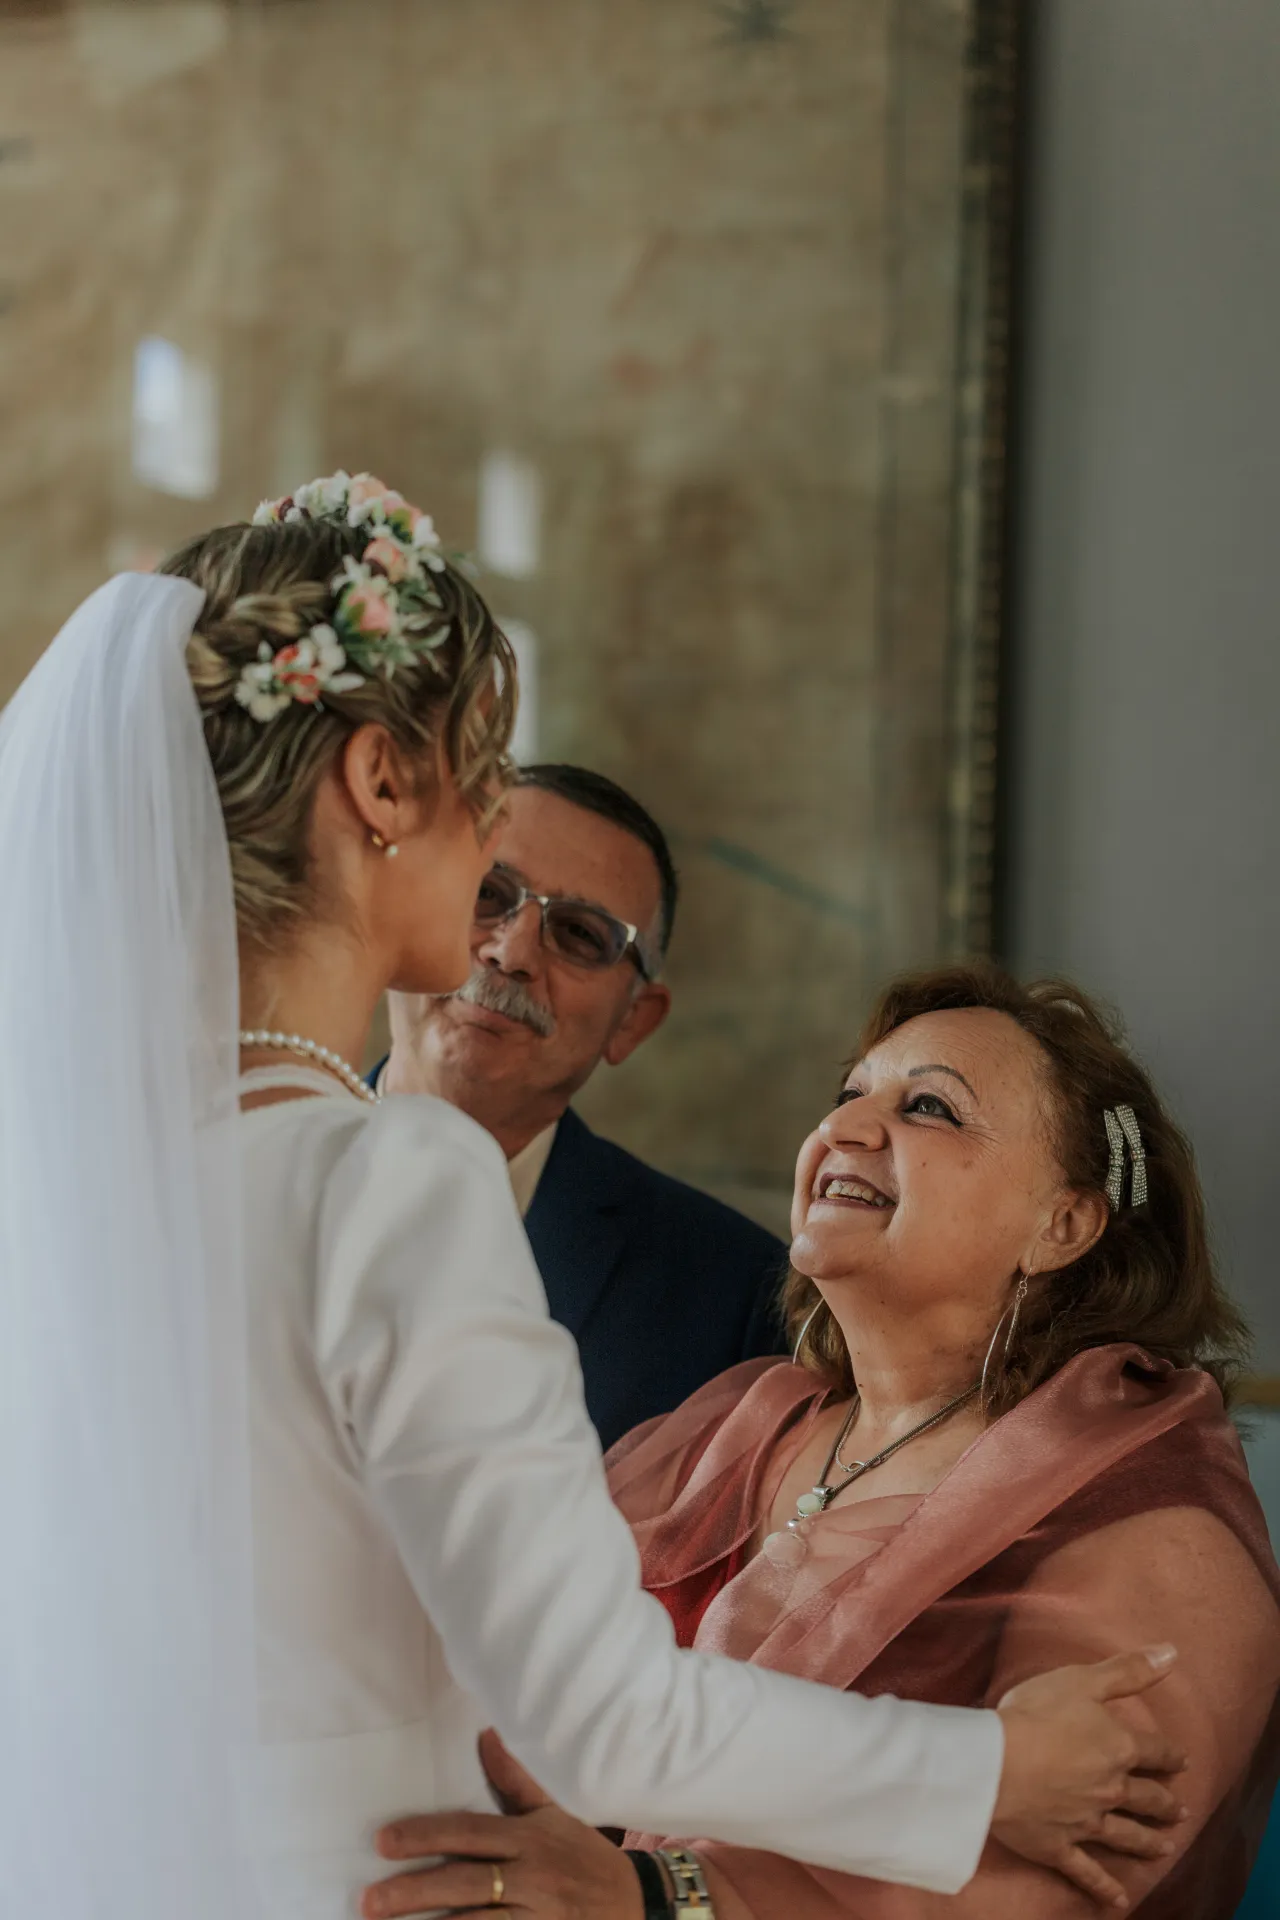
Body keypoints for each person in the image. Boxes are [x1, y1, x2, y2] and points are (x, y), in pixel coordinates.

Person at [0, 478, 1190, 1920]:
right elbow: (599, 1715)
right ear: (382, 783)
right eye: (483, 770)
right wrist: (996, 1769)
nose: (500, 827)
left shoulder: (82, 1180)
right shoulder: (388, 1176)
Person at [364, 965, 1280, 1920]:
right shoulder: (735, 1424)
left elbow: (1042, 1892)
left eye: (929, 1107)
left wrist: (654, 1897)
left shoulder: (1153, 1525)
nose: (843, 1128)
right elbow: (517, 1674)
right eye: (849, 1095)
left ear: (1063, 1224)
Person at [379, 762, 788, 1448]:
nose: (511, 954)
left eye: (578, 935)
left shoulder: (735, 1298)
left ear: (633, 1021)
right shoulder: (225, 1171)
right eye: (487, 893)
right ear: (403, 906)